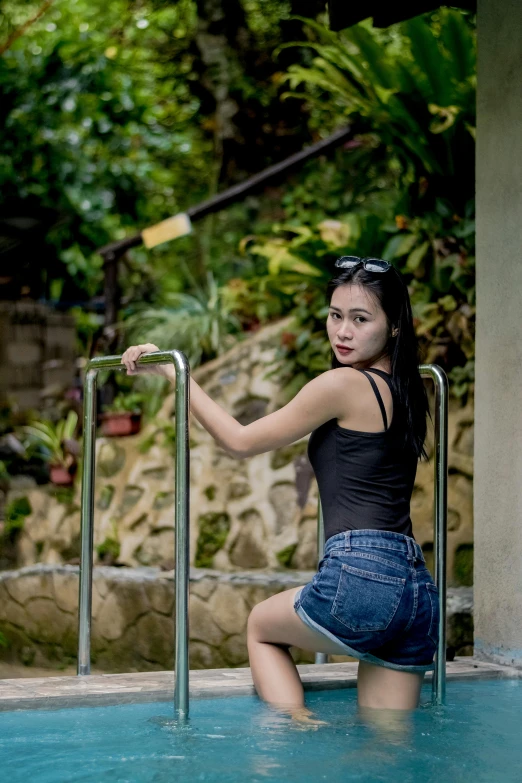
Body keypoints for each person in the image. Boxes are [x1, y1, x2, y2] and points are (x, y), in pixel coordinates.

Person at [121, 255, 439, 721]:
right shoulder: (407, 389)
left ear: (394, 327)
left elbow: (239, 440)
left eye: (360, 319)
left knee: (261, 628)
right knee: (386, 754)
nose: (343, 332)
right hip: (416, 595)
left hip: (361, 579)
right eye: (335, 316)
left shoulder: (343, 385)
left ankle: (298, 732)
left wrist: (173, 371)